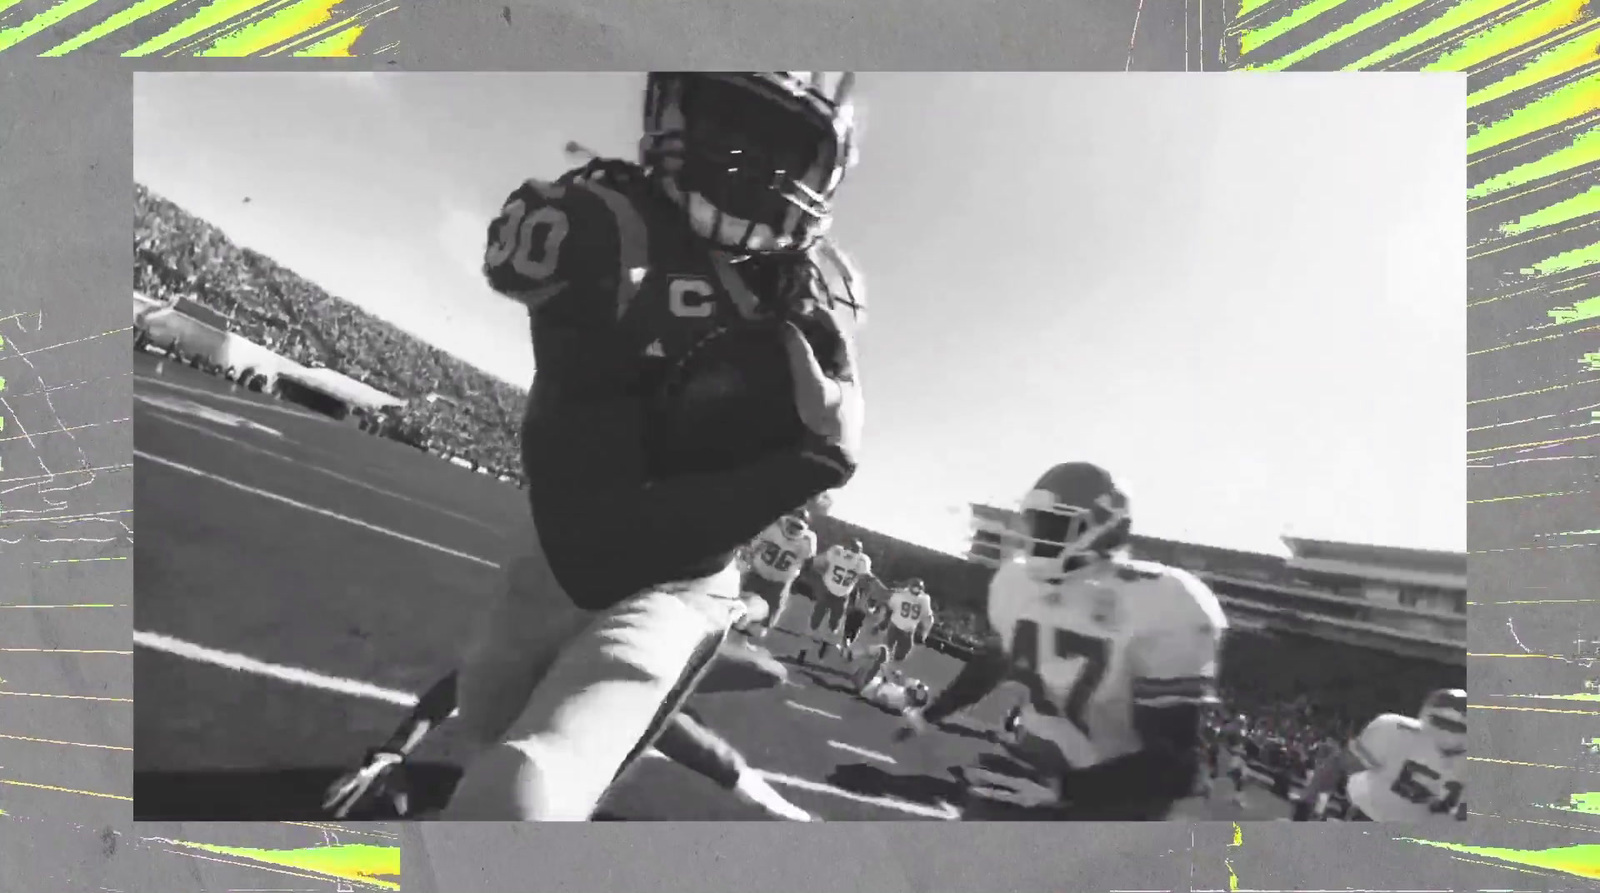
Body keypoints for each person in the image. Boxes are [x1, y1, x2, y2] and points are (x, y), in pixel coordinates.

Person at [327, 72, 867, 822]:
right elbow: (598, 537)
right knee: (488, 725)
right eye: (728, 124)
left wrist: (818, 452)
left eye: (779, 146)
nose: (746, 165)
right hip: (562, 558)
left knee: (526, 785)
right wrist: (819, 456)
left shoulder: (810, 309)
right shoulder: (606, 227)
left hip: (679, 587)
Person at [897, 461, 1227, 820]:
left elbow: (1177, 764)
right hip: (1036, 764)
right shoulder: (1020, 584)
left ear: (1102, 529)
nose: (1039, 536)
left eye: (1054, 524)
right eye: (1037, 522)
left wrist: (1064, 790)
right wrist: (930, 714)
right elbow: (992, 663)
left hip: (1111, 803)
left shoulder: (1163, 602)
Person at [1294, 688, 1467, 822]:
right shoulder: (1396, 730)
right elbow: (1340, 764)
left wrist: (1306, 801)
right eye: (1443, 723)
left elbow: (1338, 764)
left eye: (1456, 727)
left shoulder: (1396, 729)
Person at [734, 509, 819, 644]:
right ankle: (732, 638)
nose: (792, 530)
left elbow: (808, 563)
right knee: (739, 607)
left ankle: (742, 641)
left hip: (779, 582)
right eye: (792, 524)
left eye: (798, 527)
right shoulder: (774, 528)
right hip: (758, 573)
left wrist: (800, 575)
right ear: (786, 519)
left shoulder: (807, 541)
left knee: (764, 622)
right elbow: (755, 545)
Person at [809, 538, 872, 657]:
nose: (851, 552)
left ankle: (825, 642)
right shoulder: (836, 552)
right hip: (827, 589)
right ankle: (811, 637)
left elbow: (866, 578)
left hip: (842, 594)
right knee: (818, 615)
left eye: (855, 550)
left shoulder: (861, 561)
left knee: (835, 621)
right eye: (850, 548)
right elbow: (818, 563)